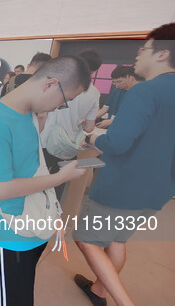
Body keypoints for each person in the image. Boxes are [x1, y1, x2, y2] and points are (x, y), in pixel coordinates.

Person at [0, 56, 91, 305]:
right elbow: (3, 190)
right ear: (50, 84)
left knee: (21, 293)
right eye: (65, 100)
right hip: (9, 234)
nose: (61, 106)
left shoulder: (28, 113)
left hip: (32, 226)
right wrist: (60, 178)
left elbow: (30, 168)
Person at [73, 22, 175, 306]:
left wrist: (93, 137)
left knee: (87, 240)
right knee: (116, 240)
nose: (138, 55)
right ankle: (98, 291)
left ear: (163, 54)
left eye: (144, 49)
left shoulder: (145, 91)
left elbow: (117, 143)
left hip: (123, 187)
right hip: (158, 192)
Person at [40, 49, 102, 197]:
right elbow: (89, 127)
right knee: (59, 183)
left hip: (45, 140)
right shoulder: (94, 93)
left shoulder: (58, 83)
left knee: (38, 180)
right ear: (95, 69)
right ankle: (53, 216)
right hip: (68, 145)